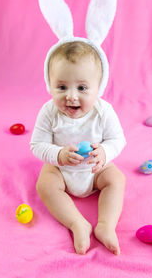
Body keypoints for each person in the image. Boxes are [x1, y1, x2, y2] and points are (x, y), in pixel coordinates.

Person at [30, 41, 126, 256]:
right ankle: (77, 224)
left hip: (94, 170)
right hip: (61, 170)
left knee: (116, 179)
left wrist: (104, 152)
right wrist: (59, 154)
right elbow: (37, 144)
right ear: (50, 84)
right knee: (45, 184)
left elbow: (117, 139)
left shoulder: (103, 112)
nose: (71, 96)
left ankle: (105, 225)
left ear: (98, 88)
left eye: (82, 88)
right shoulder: (48, 112)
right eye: (62, 87)